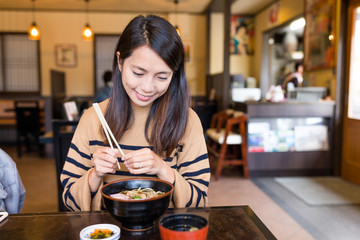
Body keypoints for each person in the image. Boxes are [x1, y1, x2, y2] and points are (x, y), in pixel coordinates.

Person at [60, 15, 211, 211]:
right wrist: (95, 174)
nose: (147, 87)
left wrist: (162, 169)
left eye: (162, 77)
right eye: (138, 73)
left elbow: (200, 202)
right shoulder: (94, 117)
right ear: (120, 62)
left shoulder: (187, 120)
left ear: (174, 75)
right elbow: (68, 199)